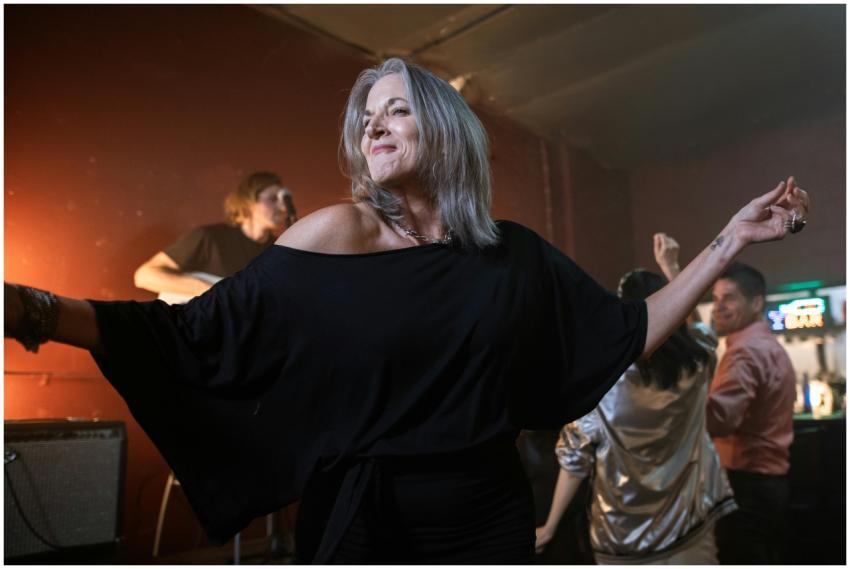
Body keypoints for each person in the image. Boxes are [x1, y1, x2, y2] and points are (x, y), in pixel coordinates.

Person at [4, 58, 809, 564]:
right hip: (362, 522)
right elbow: (189, 335)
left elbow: (627, 331)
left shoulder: (514, 254)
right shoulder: (335, 233)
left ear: (446, 129)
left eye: (394, 109)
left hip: (485, 515)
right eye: (365, 117)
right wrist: (29, 309)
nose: (372, 124)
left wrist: (729, 236)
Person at [535, 234, 736, 564]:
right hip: (690, 523)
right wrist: (672, 267)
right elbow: (699, 334)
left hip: (621, 536)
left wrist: (551, 525)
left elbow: (574, 460)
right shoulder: (698, 362)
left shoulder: (602, 379)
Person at [707, 262, 797, 564]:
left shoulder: (745, 352)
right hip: (771, 483)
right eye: (715, 299)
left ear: (756, 303)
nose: (719, 307)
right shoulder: (770, 347)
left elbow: (719, 421)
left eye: (729, 298)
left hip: (746, 484)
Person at [134, 171, 297, 303]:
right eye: (273, 199)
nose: (282, 207)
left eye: (284, 200)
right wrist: (208, 290)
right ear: (248, 202)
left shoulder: (276, 252)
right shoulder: (209, 237)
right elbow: (144, 276)